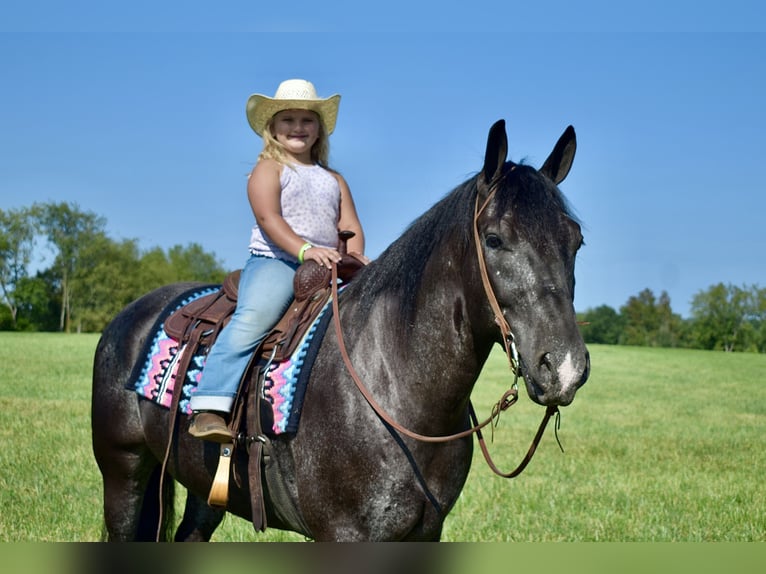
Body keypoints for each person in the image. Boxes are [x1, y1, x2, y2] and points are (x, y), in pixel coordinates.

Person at [189, 78, 368, 442]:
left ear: (319, 130)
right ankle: (210, 404)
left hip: (330, 265)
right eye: (288, 120)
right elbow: (270, 220)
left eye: (307, 120)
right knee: (254, 318)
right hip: (278, 261)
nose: (298, 128)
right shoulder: (269, 169)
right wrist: (305, 250)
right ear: (272, 127)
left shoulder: (334, 179)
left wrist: (356, 256)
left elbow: (349, 223)